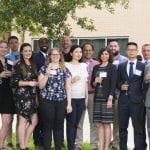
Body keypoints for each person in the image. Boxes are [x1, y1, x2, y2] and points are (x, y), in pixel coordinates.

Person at [38, 48, 72, 150]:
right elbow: (40, 86)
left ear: (60, 56)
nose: (55, 56)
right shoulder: (44, 68)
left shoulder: (65, 69)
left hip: (61, 101)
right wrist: (47, 74)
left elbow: (68, 87)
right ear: (50, 56)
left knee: (59, 126)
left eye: (57, 54)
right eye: (53, 54)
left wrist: (69, 104)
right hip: (46, 100)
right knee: (47, 126)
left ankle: (58, 147)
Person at [117, 42, 145, 150]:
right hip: (123, 101)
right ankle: (123, 147)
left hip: (137, 102)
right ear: (126, 51)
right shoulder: (121, 66)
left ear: (137, 51)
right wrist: (120, 86)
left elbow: (145, 83)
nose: (131, 52)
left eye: (134, 50)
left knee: (138, 128)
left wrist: (141, 97)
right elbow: (117, 82)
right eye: (129, 50)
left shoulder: (143, 66)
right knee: (122, 127)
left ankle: (138, 148)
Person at [12, 43, 38, 150]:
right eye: (25, 51)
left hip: (32, 96)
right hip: (22, 97)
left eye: (29, 50)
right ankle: (22, 147)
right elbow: (15, 82)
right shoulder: (18, 64)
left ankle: (25, 144)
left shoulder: (33, 64)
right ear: (21, 52)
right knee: (23, 121)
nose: (28, 53)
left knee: (34, 120)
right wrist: (29, 83)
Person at [91, 47, 117, 150]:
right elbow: (92, 84)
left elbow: (113, 84)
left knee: (106, 124)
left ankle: (106, 147)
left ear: (109, 55)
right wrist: (95, 81)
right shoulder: (96, 67)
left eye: (106, 54)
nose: (104, 56)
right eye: (102, 54)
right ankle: (101, 146)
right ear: (99, 56)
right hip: (97, 98)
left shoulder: (112, 67)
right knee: (99, 124)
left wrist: (110, 98)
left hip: (107, 99)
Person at [75, 43, 99, 150]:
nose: (88, 52)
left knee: (93, 122)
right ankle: (78, 144)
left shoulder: (97, 64)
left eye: (90, 50)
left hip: (93, 95)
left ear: (93, 51)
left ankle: (93, 145)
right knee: (78, 121)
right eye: (85, 50)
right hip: (80, 96)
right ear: (82, 51)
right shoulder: (78, 63)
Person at [66, 45, 88, 150]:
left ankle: (73, 145)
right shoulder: (66, 65)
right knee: (71, 124)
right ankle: (71, 147)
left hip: (81, 98)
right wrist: (72, 80)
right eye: (76, 52)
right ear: (71, 53)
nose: (79, 54)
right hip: (71, 98)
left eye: (80, 52)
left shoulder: (84, 65)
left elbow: (85, 83)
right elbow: (63, 83)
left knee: (76, 124)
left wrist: (86, 98)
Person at [107, 39, 127, 150]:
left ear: (119, 48)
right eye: (111, 46)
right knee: (105, 121)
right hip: (106, 95)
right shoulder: (105, 59)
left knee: (117, 121)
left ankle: (115, 144)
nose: (113, 48)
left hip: (118, 95)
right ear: (108, 47)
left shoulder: (124, 60)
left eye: (115, 46)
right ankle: (105, 143)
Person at [33, 37, 49, 150]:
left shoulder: (51, 56)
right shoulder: (35, 57)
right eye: (41, 42)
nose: (44, 44)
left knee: (46, 119)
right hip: (38, 92)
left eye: (46, 42)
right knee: (37, 119)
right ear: (39, 44)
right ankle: (37, 143)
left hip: (50, 93)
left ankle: (45, 142)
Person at [5, 36, 20, 150]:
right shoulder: (6, 58)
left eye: (16, 42)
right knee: (9, 117)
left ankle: (20, 141)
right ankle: (9, 141)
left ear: (18, 43)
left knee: (20, 117)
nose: (14, 45)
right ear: (9, 45)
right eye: (12, 43)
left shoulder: (24, 55)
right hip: (9, 89)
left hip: (21, 89)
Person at [0, 40, 14, 150]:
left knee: (7, 120)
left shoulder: (9, 61)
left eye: (5, 47)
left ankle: (0, 145)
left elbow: (14, 75)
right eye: (1, 47)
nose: (4, 49)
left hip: (7, 93)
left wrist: (12, 74)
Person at [142, 44, 150, 150]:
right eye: (144, 50)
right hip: (138, 100)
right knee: (140, 126)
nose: (146, 52)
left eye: (148, 50)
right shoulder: (140, 64)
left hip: (148, 100)